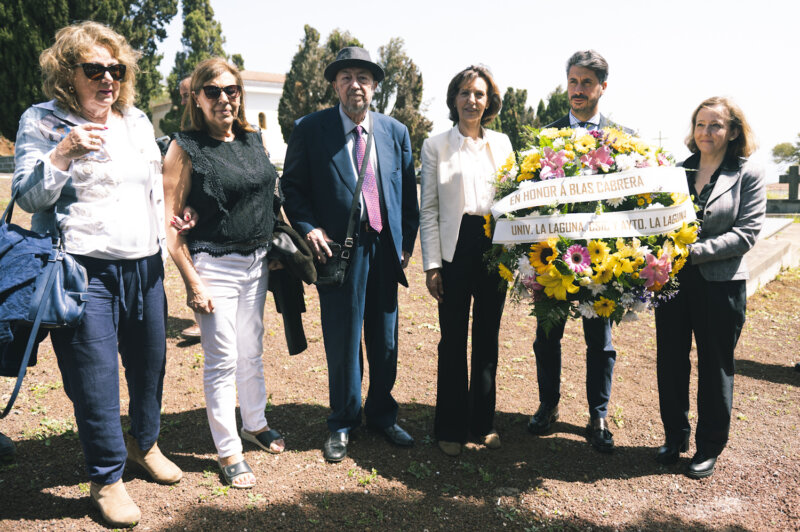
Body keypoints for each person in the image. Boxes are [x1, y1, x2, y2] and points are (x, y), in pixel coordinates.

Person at [12, 21, 181, 527]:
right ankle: (107, 478)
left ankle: (143, 443)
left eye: (116, 68)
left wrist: (170, 224)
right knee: (96, 379)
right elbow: (25, 196)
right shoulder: (41, 121)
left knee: (150, 365)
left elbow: (152, 187)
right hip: (82, 269)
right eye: (94, 69)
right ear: (68, 73)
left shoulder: (135, 121)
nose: (108, 78)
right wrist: (63, 153)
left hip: (144, 266)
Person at [282, 47, 419, 462]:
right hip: (339, 250)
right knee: (343, 339)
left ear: (375, 85)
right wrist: (309, 228)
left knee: (385, 336)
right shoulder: (311, 129)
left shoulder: (396, 132)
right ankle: (343, 420)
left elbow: (407, 195)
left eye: (363, 77)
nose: (355, 84)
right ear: (336, 85)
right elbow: (293, 189)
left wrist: (406, 244)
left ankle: (381, 414)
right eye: (346, 77)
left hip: (384, 250)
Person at [162, 58, 284, 489]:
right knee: (222, 360)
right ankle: (228, 449)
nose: (223, 99)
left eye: (231, 90)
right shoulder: (185, 146)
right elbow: (171, 226)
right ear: (196, 97)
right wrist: (192, 282)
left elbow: (268, 194)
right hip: (214, 265)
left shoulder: (253, 138)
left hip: (256, 265)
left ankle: (254, 421)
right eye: (212, 91)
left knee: (252, 349)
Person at [527, 50, 634, 454]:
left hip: (603, 265)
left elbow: (632, 204)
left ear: (602, 87)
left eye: (586, 83)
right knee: (546, 336)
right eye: (572, 81)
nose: (577, 90)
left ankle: (598, 415)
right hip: (554, 260)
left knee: (601, 343)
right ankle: (548, 405)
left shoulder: (623, 142)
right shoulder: (545, 138)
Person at [655, 97, 765, 479]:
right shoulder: (678, 172)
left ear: (733, 131)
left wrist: (688, 253)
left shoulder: (747, 175)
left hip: (721, 287)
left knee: (715, 366)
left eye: (715, 125)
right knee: (670, 361)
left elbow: (746, 234)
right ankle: (675, 436)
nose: (706, 132)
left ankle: (708, 447)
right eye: (700, 124)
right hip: (673, 285)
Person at [419, 65, 512, 457]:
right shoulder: (435, 145)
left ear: (489, 100)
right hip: (455, 250)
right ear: (453, 99)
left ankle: (482, 422)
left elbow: (515, 201)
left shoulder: (504, 145)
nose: (472, 100)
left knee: (487, 338)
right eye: (464, 93)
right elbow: (428, 210)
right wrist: (432, 265)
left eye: (479, 93)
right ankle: (450, 426)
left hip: (494, 248)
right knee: (453, 340)